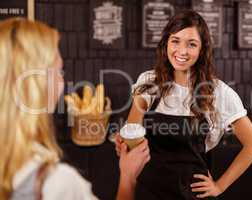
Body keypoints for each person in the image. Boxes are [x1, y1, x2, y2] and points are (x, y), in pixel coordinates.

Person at [115, 10, 252, 199]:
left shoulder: (218, 92)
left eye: (191, 44)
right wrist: (125, 143)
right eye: (175, 41)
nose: (182, 51)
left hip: (192, 195)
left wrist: (219, 186)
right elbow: (133, 131)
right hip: (149, 191)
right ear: (166, 42)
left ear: (202, 49)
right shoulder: (149, 82)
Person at [0, 18, 150, 200]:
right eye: (58, 72)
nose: (62, 82)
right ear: (36, 84)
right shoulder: (56, 183)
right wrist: (128, 176)